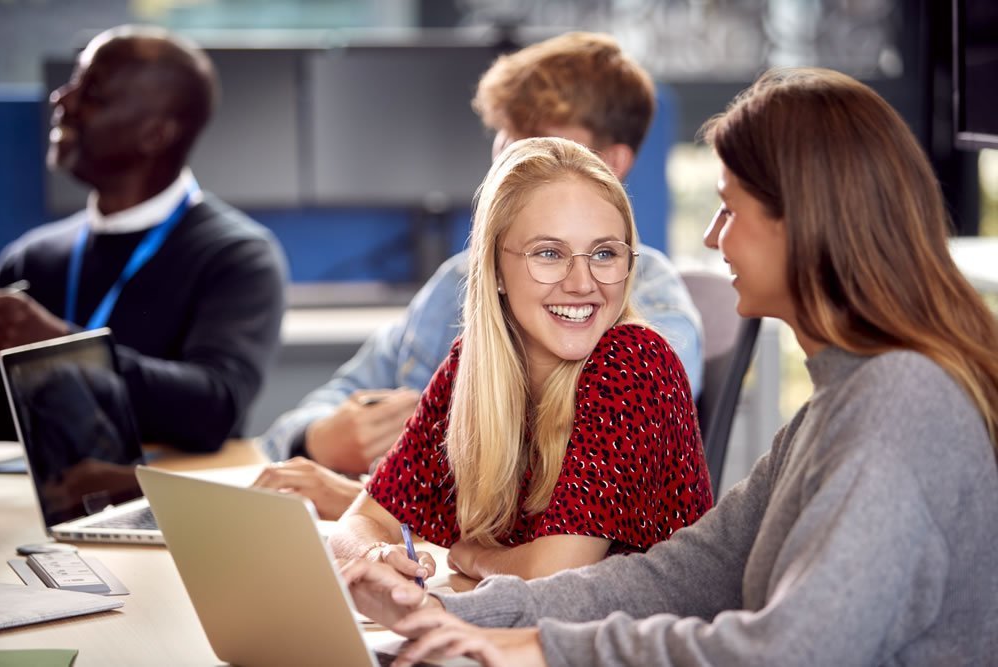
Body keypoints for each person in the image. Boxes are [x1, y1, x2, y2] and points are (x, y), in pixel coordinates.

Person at [341, 68, 998, 666]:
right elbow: (687, 573)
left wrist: (545, 648)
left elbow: (791, 650)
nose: (714, 237)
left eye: (730, 208)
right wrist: (457, 616)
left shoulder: (902, 400)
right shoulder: (834, 406)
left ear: (803, 224)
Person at [258, 32, 702, 490]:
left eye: (537, 146)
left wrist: (372, 498)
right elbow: (317, 410)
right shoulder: (457, 279)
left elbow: (585, 466)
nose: (510, 169)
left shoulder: (652, 310)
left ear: (610, 163)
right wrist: (317, 439)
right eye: (506, 142)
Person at [327, 136, 712, 583]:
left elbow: (556, 573)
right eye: (549, 254)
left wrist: (476, 558)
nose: (582, 282)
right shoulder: (473, 368)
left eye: (604, 253)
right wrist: (375, 555)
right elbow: (362, 520)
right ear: (495, 270)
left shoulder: (634, 362)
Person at [0, 25, 287, 452]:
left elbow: (214, 408)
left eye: (92, 93)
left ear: (156, 135)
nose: (62, 99)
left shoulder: (236, 256)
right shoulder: (32, 257)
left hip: (169, 506)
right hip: (33, 500)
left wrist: (62, 350)